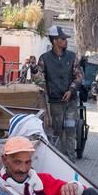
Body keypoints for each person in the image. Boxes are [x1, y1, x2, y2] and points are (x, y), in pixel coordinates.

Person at [37, 26, 84, 161]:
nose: (66, 40)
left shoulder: (72, 57)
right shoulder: (44, 59)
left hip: (71, 102)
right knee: (57, 131)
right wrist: (34, 70)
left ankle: (70, 161)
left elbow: (79, 77)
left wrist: (71, 90)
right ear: (55, 41)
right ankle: (57, 161)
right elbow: (39, 80)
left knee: (70, 130)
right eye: (63, 38)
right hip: (55, 103)